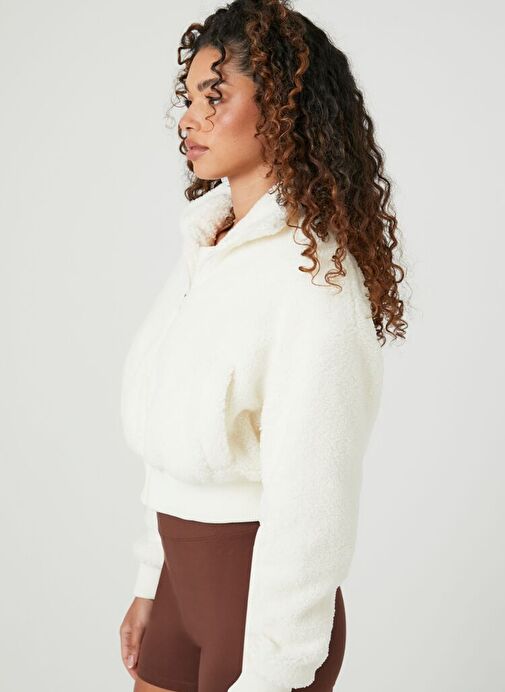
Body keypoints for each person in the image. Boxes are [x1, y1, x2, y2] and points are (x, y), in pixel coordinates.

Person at [119, 0, 407, 690]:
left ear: (280, 106)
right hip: (179, 587)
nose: (188, 118)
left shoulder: (315, 279)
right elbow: (172, 437)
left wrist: (277, 664)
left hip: (262, 608)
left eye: (214, 96)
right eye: (189, 98)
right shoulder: (206, 252)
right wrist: (151, 579)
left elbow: (314, 501)